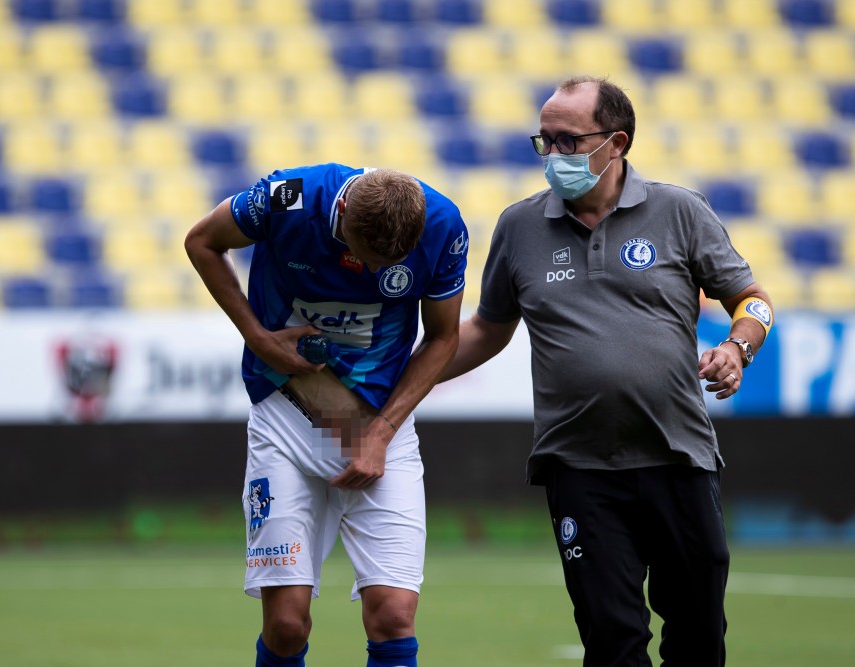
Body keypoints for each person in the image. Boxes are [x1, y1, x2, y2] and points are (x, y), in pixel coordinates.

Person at [442, 75, 774, 666]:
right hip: (578, 466)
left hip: (678, 457)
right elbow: (488, 328)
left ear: (616, 142)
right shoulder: (518, 226)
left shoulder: (680, 211)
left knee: (699, 638)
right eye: (544, 141)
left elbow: (752, 299)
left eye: (568, 141)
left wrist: (737, 348)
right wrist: (400, 374)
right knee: (612, 641)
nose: (553, 155)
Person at [185, 164, 468, 667]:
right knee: (286, 626)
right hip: (285, 415)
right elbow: (201, 241)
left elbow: (444, 337)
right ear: (341, 213)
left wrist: (381, 433)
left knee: (394, 615)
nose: (375, 275)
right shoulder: (288, 198)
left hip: (379, 425)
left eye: (388, 266)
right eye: (368, 259)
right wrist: (258, 338)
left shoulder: (445, 225)